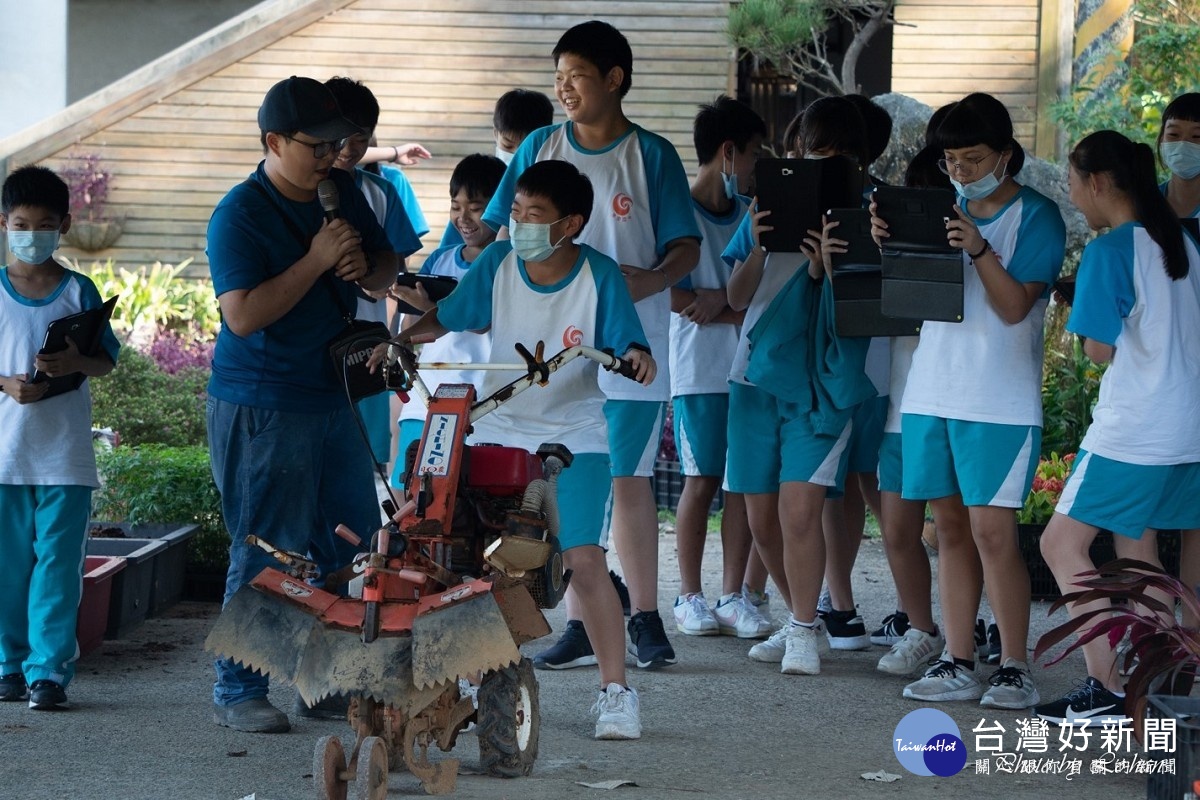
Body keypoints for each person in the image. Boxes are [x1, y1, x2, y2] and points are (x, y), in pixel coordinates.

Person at [373, 159, 655, 739]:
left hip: (575, 434)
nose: (520, 225)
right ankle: (478, 680)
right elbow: (448, 317)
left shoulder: (598, 273)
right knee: (477, 556)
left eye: (535, 216)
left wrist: (638, 358)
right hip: (502, 425)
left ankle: (616, 691)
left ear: (570, 223)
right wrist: (400, 338)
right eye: (518, 213)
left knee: (583, 561)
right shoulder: (499, 263)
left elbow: (629, 340)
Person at [483, 21, 701, 671]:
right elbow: (502, 236)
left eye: (576, 76)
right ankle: (582, 622)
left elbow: (685, 246)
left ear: (615, 79)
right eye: (558, 78)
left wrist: (657, 279)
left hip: (631, 347)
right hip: (548, 351)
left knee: (629, 482)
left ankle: (647, 617)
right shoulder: (540, 147)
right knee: (564, 482)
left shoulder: (651, 155)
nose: (564, 89)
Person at [205, 75, 399, 733]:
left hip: (334, 394)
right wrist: (317, 260)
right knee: (271, 546)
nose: (328, 157)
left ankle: (326, 682)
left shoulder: (340, 192)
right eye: (314, 146)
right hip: (264, 402)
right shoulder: (240, 213)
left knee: (345, 540)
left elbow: (385, 268)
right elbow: (244, 315)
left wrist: (363, 269)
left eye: (335, 145)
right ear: (273, 141)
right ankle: (240, 689)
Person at [871, 92, 1065, 709]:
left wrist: (979, 247)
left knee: (993, 531)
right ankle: (958, 658)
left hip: (999, 399)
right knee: (949, 528)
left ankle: (1014, 665)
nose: (960, 171)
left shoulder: (1037, 215)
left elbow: (1013, 307)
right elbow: (907, 302)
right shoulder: (938, 207)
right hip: (931, 390)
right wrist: (892, 243)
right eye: (952, 160)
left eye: (974, 158)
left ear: (1006, 154)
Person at [1032, 130, 1200, 724]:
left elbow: (1098, 352)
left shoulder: (1109, 252)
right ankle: (1154, 690)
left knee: (1060, 544)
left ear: (1097, 182)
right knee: (1139, 549)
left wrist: (1083, 315)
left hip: (1134, 430)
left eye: (1074, 181)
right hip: (1187, 429)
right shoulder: (1182, 240)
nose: (1073, 194)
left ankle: (1105, 688)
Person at [722, 96, 875, 675]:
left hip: (824, 383)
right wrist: (762, 243)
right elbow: (736, 300)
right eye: (810, 150)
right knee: (760, 514)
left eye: (834, 155)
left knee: (799, 510)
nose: (817, 161)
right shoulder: (764, 203)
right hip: (753, 377)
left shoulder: (868, 216)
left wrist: (826, 268)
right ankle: (797, 617)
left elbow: (867, 312)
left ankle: (807, 629)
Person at [0, 165, 119, 711]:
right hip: (5, 455)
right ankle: (8, 664)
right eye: (22, 223)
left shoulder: (80, 291)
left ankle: (48, 672)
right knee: (7, 566)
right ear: (4, 223)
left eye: (44, 224)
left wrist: (74, 360)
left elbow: (105, 361)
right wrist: (8, 384)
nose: (32, 233)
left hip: (64, 457)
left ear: (65, 225)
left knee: (57, 566)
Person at [668, 95, 772, 640]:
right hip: (697, 370)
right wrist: (711, 302)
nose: (758, 167)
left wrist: (722, 305)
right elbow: (665, 290)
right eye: (755, 154)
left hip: (746, 368)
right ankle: (689, 595)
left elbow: (742, 299)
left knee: (741, 483)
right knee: (701, 479)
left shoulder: (750, 218)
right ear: (728, 153)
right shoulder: (676, 213)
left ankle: (733, 595)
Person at [388, 153, 506, 490]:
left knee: (467, 497)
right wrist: (412, 307)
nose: (463, 218)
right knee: (405, 491)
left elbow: (482, 322)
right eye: (456, 206)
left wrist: (433, 306)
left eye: (476, 207)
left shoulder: (508, 265)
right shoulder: (440, 258)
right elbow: (413, 328)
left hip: (482, 402)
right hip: (427, 395)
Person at [325, 77, 424, 472]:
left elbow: (394, 272)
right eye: (340, 137)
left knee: (362, 465)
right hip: (306, 353)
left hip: (363, 347)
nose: (350, 149)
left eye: (361, 138)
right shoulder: (278, 194)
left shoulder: (380, 192)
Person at [438, 89, 556, 249]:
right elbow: (451, 253)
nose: (516, 155)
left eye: (525, 149)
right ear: (495, 133)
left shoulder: (550, 185)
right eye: (508, 145)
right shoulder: (481, 177)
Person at [1158, 92, 1200, 222]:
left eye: (1197, 136)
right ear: (1161, 140)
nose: (1183, 144)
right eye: (1174, 134)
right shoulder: (1144, 204)